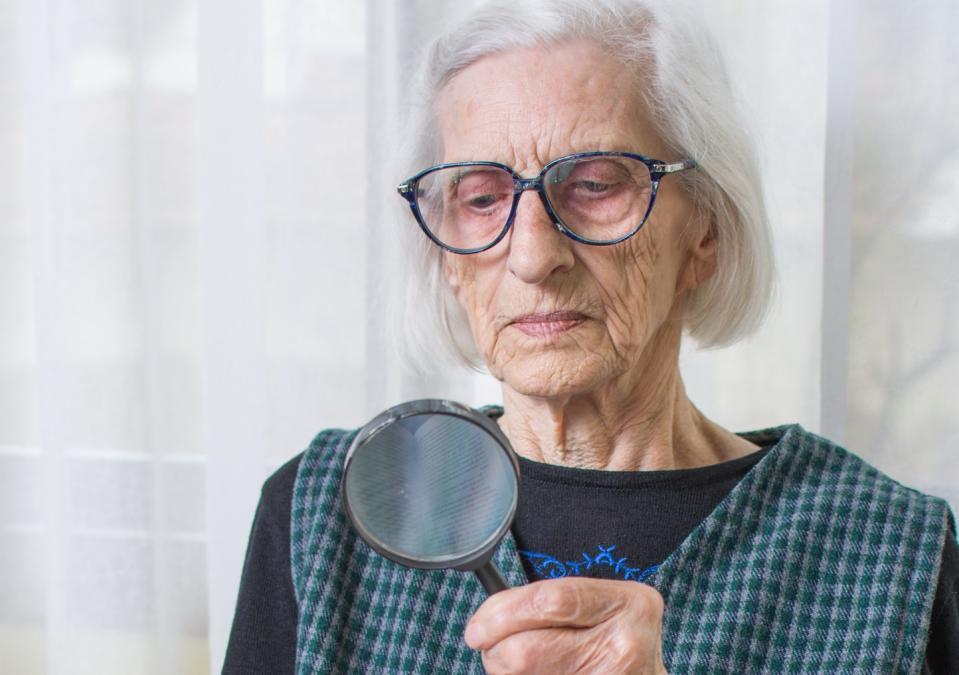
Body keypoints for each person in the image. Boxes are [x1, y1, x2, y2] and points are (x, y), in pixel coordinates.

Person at [223, 0, 958, 672]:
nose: (533, 254)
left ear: (703, 230)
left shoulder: (890, 553)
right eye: (482, 197)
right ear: (446, 254)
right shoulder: (319, 516)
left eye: (596, 184)